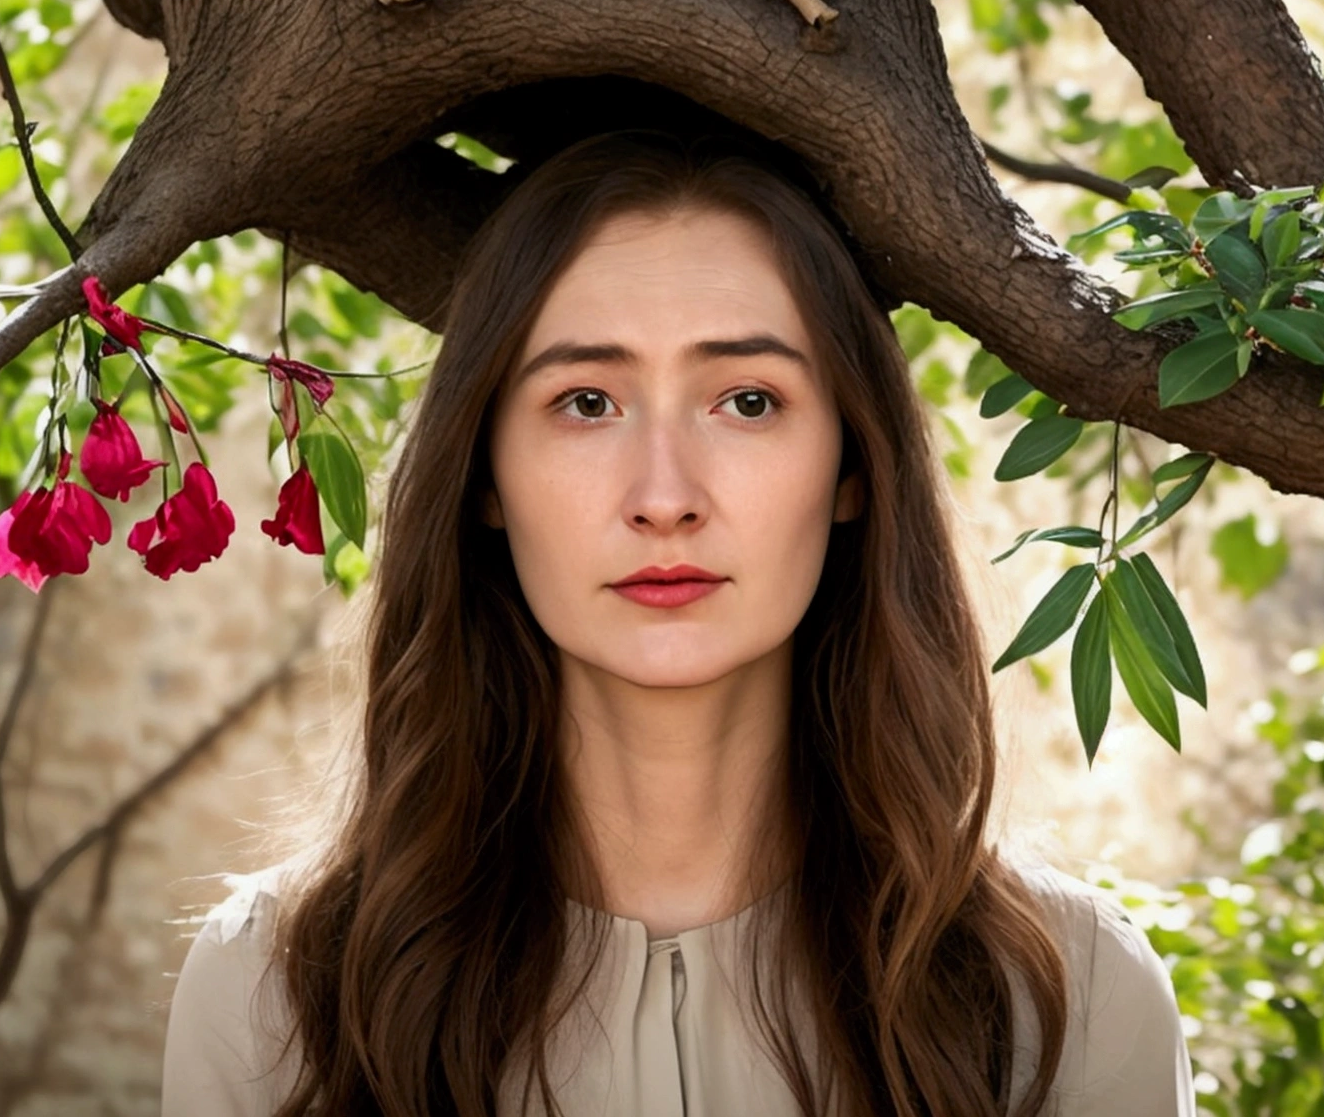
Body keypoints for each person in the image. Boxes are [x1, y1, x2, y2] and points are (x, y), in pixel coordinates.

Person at [162, 127, 1195, 1117]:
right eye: (586, 402)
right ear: (484, 472)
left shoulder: (1070, 1003)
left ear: (850, 467)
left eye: (746, 401)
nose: (664, 497)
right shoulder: (274, 995)